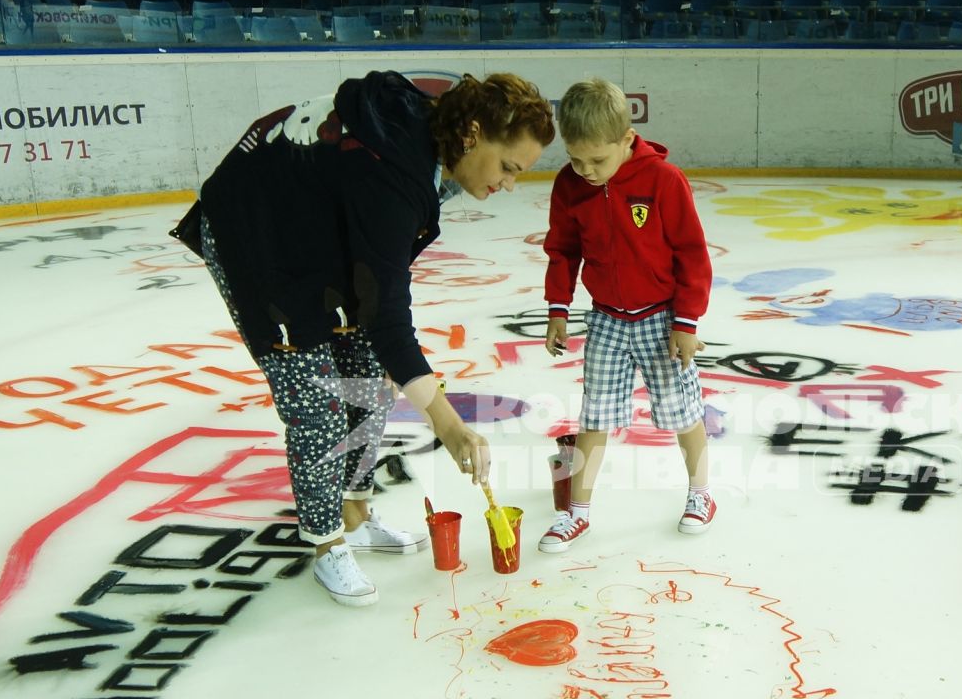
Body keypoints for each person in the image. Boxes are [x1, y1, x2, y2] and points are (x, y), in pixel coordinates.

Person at [174, 71, 555, 605]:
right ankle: (326, 542)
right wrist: (449, 426)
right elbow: (390, 325)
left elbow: (379, 315)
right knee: (321, 403)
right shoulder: (394, 175)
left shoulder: (431, 140)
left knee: (370, 381)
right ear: (472, 133)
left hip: (317, 232)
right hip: (256, 237)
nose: (509, 183)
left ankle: (353, 513)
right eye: (509, 167)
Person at [537, 77, 713, 553]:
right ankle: (578, 514)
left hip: (662, 318)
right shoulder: (570, 186)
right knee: (594, 416)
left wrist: (686, 321)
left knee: (683, 412)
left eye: (598, 160)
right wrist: (558, 308)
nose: (586, 171)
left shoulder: (664, 181)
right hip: (607, 319)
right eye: (575, 159)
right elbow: (563, 249)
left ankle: (701, 494)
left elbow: (692, 255)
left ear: (627, 140)